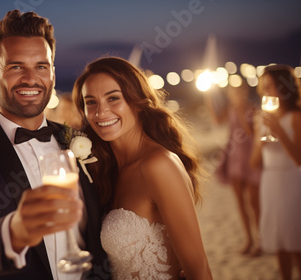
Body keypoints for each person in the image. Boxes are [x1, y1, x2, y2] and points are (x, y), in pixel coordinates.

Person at [0, 10, 109, 279]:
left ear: (53, 75)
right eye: (15, 67)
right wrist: (15, 232)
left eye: (41, 66)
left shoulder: (78, 141)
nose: (30, 78)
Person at [72, 57, 212, 279]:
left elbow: (199, 269)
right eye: (91, 102)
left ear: (137, 102)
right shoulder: (106, 169)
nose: (100, 112)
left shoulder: (158, 165)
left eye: (113, 98)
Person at [250, 64, 301, 280]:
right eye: (263, 87)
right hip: (269, 181)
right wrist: (262, 141)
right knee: (279, 241)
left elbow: (299, 159)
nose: (265, 92)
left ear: (283, 87)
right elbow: (253, 162)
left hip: (292, 180)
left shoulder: (296, 117)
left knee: (295, 242)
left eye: (270, 86)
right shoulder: (260, 119)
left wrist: (279, 130)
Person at [204, 79, 262, 256]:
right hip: (235, 158)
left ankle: (260, 240)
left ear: (245, 92)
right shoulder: (229, 110)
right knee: (240, 202)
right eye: (233, 93)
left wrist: (242, 112)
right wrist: (207, 96)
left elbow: (253, 134)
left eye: (239, 92)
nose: (236, 95)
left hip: (250, 158)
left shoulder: (253, 109)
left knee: (254, 203)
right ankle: (249, 240)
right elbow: (216, 120)